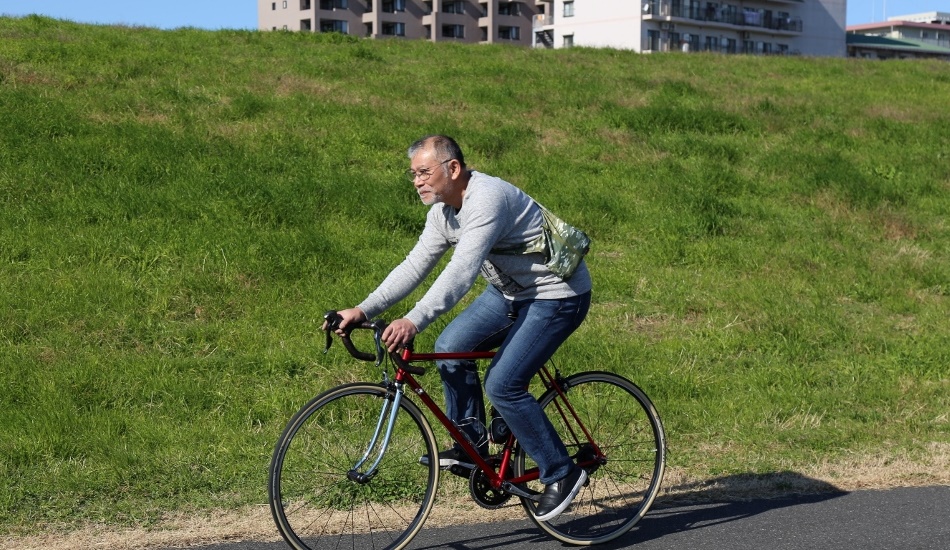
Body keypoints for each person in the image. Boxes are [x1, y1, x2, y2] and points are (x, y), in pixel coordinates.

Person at [327, 135, 592, 521]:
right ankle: (472, 444)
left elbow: (461, 273)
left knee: (503, 384)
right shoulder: (442, 213)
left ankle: (562, 472)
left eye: (423, 172)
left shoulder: (486, 199)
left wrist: (414, 319)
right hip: (510, 293)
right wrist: (362, 309)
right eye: (412, 174)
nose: (417, 181)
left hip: (557, 295)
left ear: (453, 168)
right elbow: (415, 265)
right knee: (450, 348)